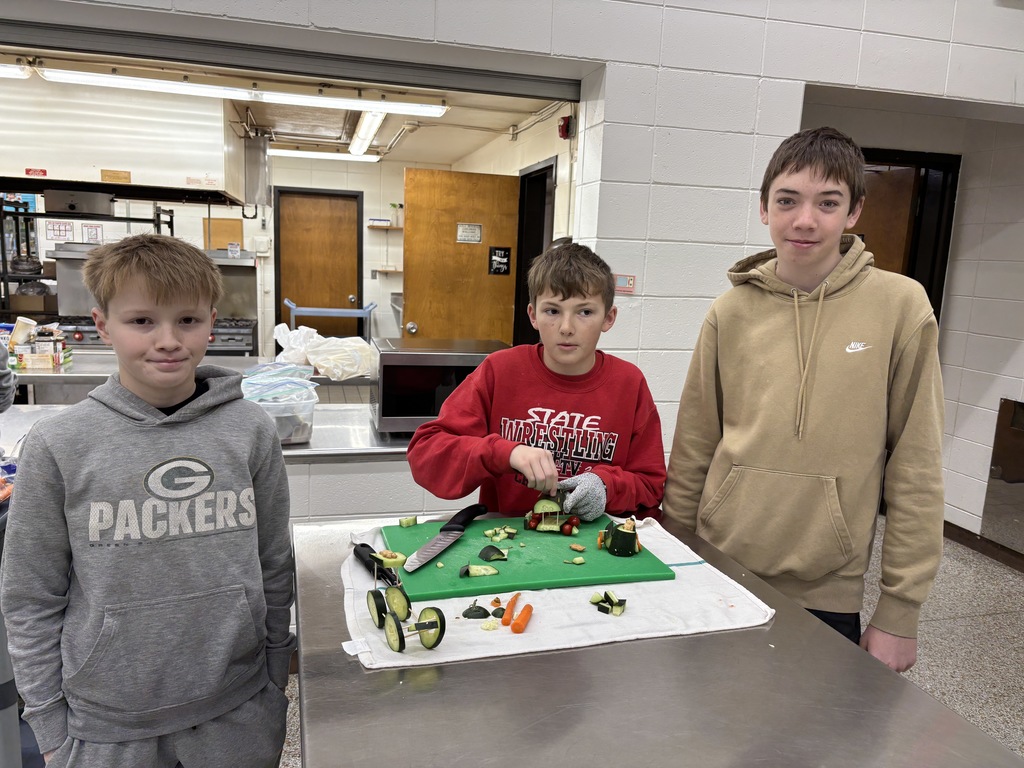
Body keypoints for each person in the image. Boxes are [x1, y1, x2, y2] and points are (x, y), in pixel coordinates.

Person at [0, 233, 295, 767]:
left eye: (187, 320)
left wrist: (276, 675)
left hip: (239, 707)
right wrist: (47, 722)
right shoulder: (59, 444)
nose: (168, 340)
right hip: (107, 728)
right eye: (142, 321)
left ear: (211, 320)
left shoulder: (252, 430)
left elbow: (275, 561)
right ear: (102, 324)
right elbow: (30, 597)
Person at [662, 126, 944, 673]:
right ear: (764, 209)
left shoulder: (901, 307)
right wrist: (679, 562)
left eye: (828, 202)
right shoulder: (730, 312)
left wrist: (899, 611)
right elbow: (695, 446)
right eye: (787, 200)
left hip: (827, 589)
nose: (805, 220)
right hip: (720, 570)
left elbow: (917, 466)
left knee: (813, 751)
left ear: (854, 212)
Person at [407, 242, 665, 520]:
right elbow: (425, 453)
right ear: (533, 315)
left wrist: (606, 486)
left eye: (585, 312)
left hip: (596, 547)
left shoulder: (629, 383)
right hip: (510, 544)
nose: (566, 328)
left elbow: (651, 485)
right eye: (552, 311)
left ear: (608, 317)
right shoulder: (500, 370)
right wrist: (506, 453)